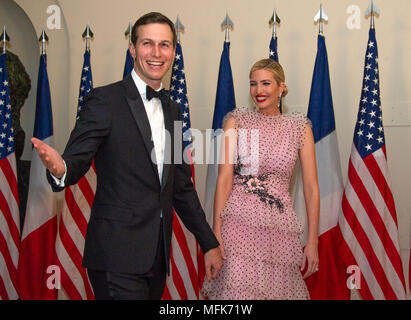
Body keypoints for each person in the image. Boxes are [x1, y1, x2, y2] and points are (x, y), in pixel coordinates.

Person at [31, 12, 222, 300]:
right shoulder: (104, 100)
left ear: (173, 52)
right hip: (115, 256)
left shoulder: (173, 110)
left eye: (165, 45)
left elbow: (180, 186)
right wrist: (61, 169)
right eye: (147, 43)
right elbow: (76, 161)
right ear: (132, 49)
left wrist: (209, 243)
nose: (156, 53)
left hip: (157, 257)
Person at [202, 58, 319, 300]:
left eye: (266, 83)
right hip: (237, 227)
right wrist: (216, 233)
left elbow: (310, 188)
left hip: (279, 230)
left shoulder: (299, 128)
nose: (258, 90)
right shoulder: (236, 122)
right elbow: (224, 179)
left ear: (281, 87)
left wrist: (312, 241)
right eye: (253, 84)